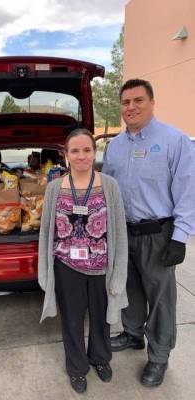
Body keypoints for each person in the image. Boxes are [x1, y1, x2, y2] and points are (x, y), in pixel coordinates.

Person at [102, 79, 195, 387]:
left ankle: (159, 356)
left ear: (152, 103)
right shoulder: (114, 146)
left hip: (158, 233)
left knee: (160, 299)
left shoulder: (174, 140)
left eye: (138, 100)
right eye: (126, 102)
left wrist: (180, 237)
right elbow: (108, 190)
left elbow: (188, 191)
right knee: (129, 290)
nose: (131, 107)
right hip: (123, 232)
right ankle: (132, 334)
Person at [38, 128, 128, 394]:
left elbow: (119, 232)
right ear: (65, 156)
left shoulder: (109, 185)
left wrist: (118, 274)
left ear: (94, 153)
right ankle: (77, 368)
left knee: (101, 318)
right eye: (74, 151)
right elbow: (46, 231)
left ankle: (100, 358)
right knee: (72, 320)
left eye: (86, 150)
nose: (81, 156)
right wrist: (45, 271)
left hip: (101, 266)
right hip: (67, 267)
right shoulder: (54, 188)